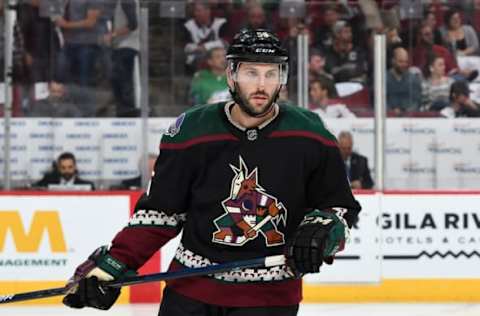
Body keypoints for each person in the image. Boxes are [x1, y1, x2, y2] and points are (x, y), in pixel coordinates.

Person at [62, 29, 361, 315]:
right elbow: (161, 213)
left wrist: (325, 229)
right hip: (191, 293)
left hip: (270, 298)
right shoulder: (191, 131)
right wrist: (116, 261)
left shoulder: (311, 134)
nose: (261, 85)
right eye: (251, 73)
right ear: (231, 75)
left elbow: (341, 208)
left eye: (271, 74)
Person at [386, 46, 422, 115]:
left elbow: (417, 101)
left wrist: (406, 112)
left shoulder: (413, 79)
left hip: (409, 118)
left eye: (406, 62)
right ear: (393, 61)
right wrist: (391, 111)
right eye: (401, 61)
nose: (404, 64)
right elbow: (379, 100)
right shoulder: (383, 79)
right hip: (388, 118)